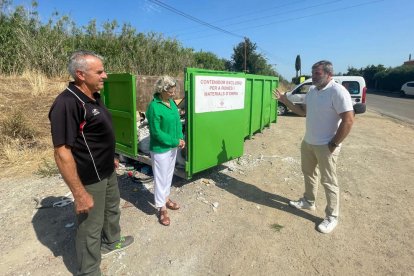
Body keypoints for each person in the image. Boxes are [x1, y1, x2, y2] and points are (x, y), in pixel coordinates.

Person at [49, 50, 134, 275]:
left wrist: (113, 156)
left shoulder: (94, 96)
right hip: (89, 178)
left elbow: (98, 134)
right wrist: (79, 193)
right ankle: (89, 270)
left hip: (107, 170)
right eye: (100, 71)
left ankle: (111, 241)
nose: (105, 75)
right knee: (90, 227)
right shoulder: (67, 103)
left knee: (111, 210)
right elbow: (62, 153)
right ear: (81, 74)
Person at [274, 60, 354, 234]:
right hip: (308, 142)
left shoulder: (338, 92)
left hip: (327, 145)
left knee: (329, 182)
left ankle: (332, 217)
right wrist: (285, 100)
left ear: (329, 74)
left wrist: (334, 143)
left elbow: (348, 120)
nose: (313, 76)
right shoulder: (311, 90)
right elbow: (304, 113)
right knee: (308, 173)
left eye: (317, 73)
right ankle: (309, 202)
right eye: (313, 72)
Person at [146, 76, 185, 226]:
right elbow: (156, 132)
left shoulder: (171, 104)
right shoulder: (154, 107)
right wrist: (175, 141)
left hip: (172, 147)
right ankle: (161, 207)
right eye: (170, 90)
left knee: (169, 174)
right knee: (161, 177)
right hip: (160, 148)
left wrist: (180, 138)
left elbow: (177, 122)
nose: (173, 93)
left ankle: (166, 198)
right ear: (162, 90)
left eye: (174, 90)